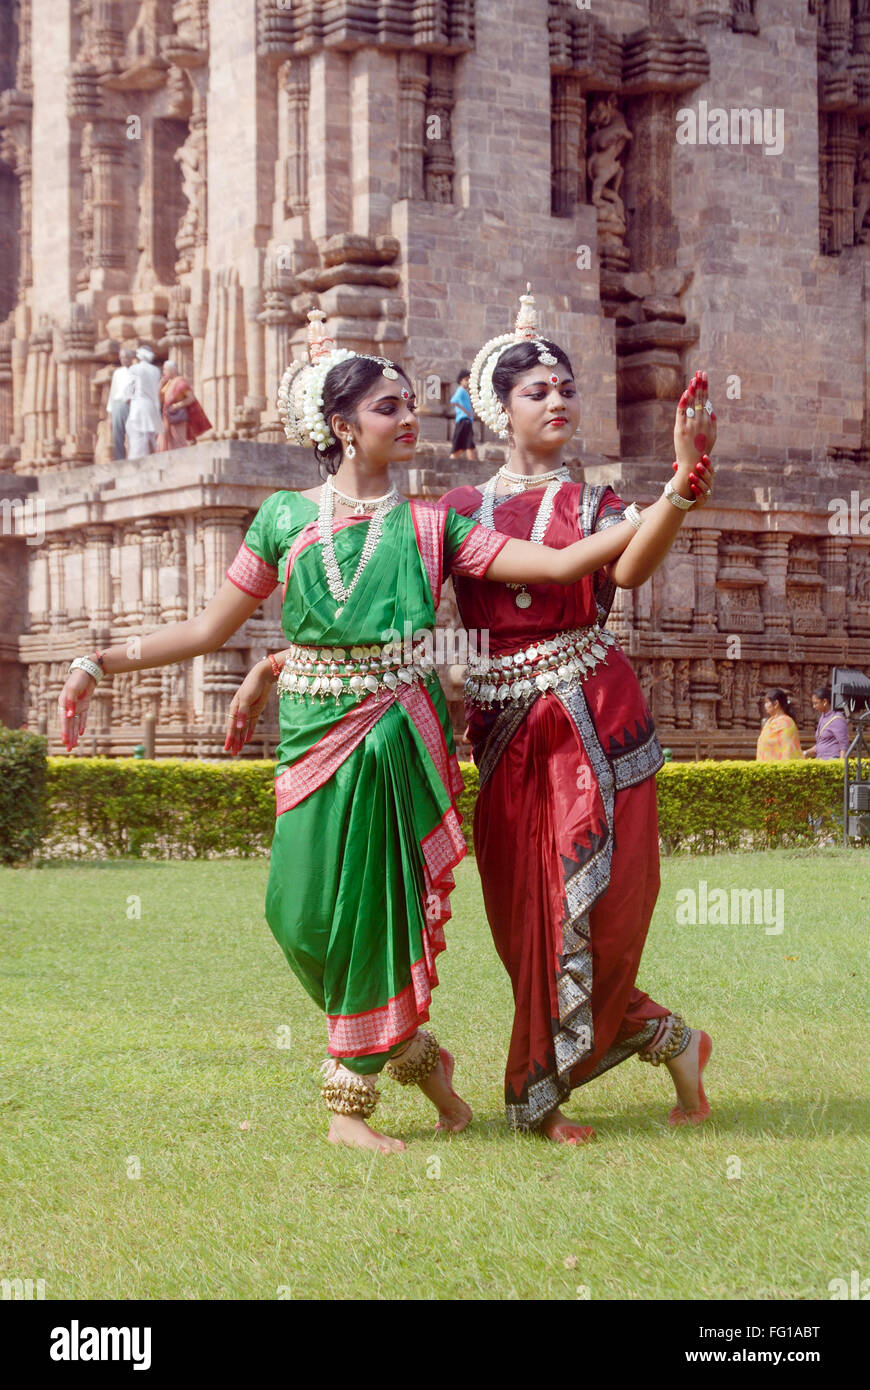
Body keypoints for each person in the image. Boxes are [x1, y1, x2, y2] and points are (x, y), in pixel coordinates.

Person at [57, 309, 645, 1157]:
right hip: (312, 737)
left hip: (397, 741)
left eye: (411, 404)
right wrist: (98, 659)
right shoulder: (282, 520)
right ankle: (424, 1062)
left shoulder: (436, 526)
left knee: (375, 914)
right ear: (340, 427)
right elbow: (208, 629)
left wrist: (670, 501)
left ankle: (347, 1105)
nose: (410, 418)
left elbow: (557, 567)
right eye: (387, 408)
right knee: (296, 915)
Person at [229, 290, 717, 1143]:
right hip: (501, 728)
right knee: (523, 918)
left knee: (584, 903)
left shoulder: (595, 503)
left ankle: (541, 1097)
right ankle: (668, 1040)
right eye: (537, 389)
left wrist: (675, 491)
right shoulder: (450, 511)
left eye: (566, 386)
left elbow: (627, 573)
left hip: (590, 718)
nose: (558, 399)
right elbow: (374, 609)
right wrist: (279, 664)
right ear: (499, 409)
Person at [157, 360, 212, 451]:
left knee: (178, 440)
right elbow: (161, 400)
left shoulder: (181, 382)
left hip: (177, 415)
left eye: (165, 369)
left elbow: (191, 398)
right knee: (164, 440)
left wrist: (177, 406)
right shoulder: (168, 383)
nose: (163, 372)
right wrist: (160, 385)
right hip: (167, 415)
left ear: (172, 370)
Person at [126, 346, 163, 457]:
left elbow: (130, 389)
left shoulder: (134, 369)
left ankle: (136, 462)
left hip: (138, 405)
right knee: (150, 436)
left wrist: (126, 397)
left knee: (136, 435)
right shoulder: (156, 371)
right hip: (152, 406)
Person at [803, 686, 849, 759]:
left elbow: (844, 746)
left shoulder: (837, 719)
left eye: (816, 703)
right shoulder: (822, 717)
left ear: (825, 702)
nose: (814, 706)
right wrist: (804, 753)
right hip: (821, 760)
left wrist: (841, 766)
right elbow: (822, 744)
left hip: (832, 761)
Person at [756, 688, 802, 760]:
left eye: (767, 702)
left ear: (776, 704)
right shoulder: (769, 722)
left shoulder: (787, 723)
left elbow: (787, 750)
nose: (765, 705)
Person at [106, 347, 134, 459]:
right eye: (121, 357)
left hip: (132, 405)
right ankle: (119, 459)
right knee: (117, 434)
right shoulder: (117, 373)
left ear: (131, 358)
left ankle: (133, 457)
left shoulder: (136, 371)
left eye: (126, 357)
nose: (123, 360)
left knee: (133, 433)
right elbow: (113, 392)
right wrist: (110, 413)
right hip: (118, 404)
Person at [449, 370, 476, 460]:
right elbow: (454, 400)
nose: (468, 382)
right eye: (466, 379)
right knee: (468, 444)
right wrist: (466, 411)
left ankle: (452, 459)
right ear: (461, 380)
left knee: (464, 445)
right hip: (464, 420)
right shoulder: (460, 390)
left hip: (467, 420)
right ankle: (472, 464)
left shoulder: (464, 392)